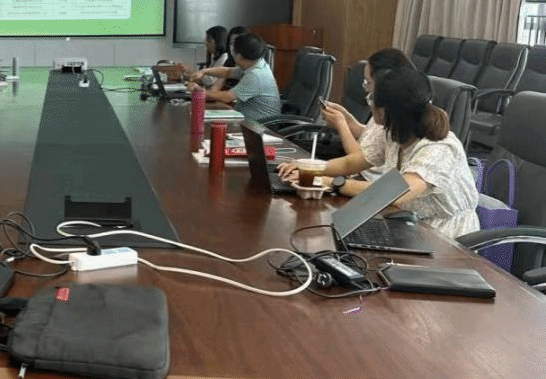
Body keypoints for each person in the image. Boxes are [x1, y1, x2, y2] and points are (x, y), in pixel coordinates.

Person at [277, 67, 479, 238]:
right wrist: (309, 168)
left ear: (386, 110)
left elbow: (395, 193)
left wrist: (330, 182)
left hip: (445, 237)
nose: (369, 101)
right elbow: (351, 163)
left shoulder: (439, 148)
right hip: (406, 223)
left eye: (372, 97)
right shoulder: (395, 131)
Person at [320, 47, 416, 157]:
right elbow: (371, 136)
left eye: (368, 82)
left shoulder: (397, 115)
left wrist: (341, 124)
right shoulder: (384, 104)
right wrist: (347, 119)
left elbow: (360, 159)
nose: (366, 88)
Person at [186, 31, 281, 122]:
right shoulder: (255, 63)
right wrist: (204, 71)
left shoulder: (255, 75)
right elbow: (227, 72)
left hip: (260, 125)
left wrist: (198, 91)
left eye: (234, 51)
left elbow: (227, 97)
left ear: (240, 56)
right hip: (248, 120)